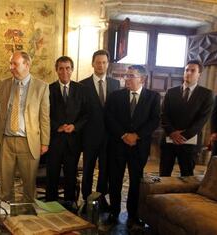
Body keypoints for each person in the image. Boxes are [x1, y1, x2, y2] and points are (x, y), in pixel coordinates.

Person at [0, 51, 50, 203]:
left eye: (14, 64)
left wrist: (45, 142)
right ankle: (5, 217)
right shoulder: (4, 84)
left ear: (27, 65)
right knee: (5, 186)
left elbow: (44, 117)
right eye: (10, 63)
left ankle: (28, 219)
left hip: (29, 142)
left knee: (29, 186)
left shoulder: (41, 87)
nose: (11, 67)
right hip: (5, 141)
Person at [105, 65, 160, 227]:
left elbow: (154, 120)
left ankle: (133, 213)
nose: (126, 78)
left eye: (130, 76)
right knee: (115, 180)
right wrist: (123, 135)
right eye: (126, 75)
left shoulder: (153, 97)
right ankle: (114, 212)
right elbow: (109, 118)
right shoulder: (115, 96)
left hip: (139, 146)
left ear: (141, 79)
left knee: (136, 181)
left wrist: (137, 135)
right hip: (118, 145)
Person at [46, 56, 88, 211]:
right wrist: (58, 127)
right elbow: (44, 114)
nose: (64, 71)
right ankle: (50, 206)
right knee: (53, 175)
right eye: (61, 68)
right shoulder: (48, 89)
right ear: (56, 70)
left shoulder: (81, 89)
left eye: (67, 68)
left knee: (71, 175)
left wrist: (74, 126)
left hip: (73, 141)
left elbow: (86, 114)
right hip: (55, 140)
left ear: (72, 69)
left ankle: (70, 207)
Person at [79, 49, 120, 210]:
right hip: (89, 136)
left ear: (108, 64)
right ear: (92, 64)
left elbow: (117, 111)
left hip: (109, 137)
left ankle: (101, 199)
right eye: (98, 62)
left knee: (105, 170)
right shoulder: (83, 84)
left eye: (104, 62)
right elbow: (81, 112)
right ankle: (86, 199)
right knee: (88, 169)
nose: (101, 65)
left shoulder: (116, 84)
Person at [160, 60, 213, 176]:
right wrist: (172, 132)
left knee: (187, 175)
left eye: (193, 70)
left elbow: (202, 119)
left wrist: (183, 136)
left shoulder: (206, 94)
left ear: (199, 74)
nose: (188, 73)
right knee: (164, 174)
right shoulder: (171, 92)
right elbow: (164, 114)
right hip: (169, 140)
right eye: (186, 70)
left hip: (190, 141)